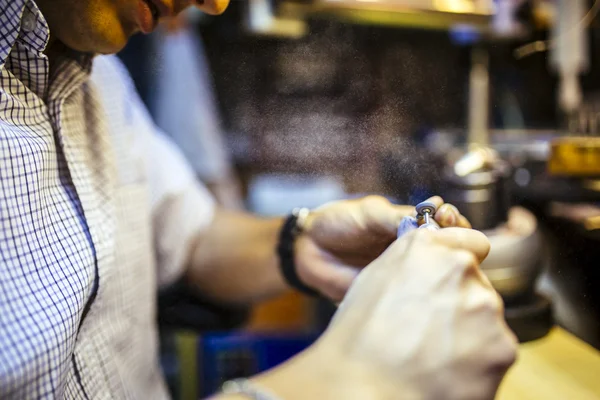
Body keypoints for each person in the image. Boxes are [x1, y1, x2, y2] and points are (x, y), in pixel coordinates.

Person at [0, 1, 517, 400]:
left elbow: (191, 237)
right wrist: (358, 376)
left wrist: (301, 242)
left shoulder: (102, 79)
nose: (217, 4)